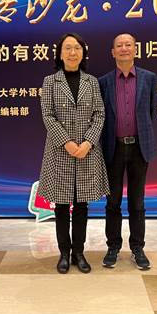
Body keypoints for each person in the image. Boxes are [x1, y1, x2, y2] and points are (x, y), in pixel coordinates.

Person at [38, 32, 109, 274]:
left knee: (81, 205)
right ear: (60, 53)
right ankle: (64, 254)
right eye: (67, 48)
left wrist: (88, 142)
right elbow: (48, 115)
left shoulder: (92, 82)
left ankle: (79, 252)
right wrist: (67, 142)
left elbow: (99, 114)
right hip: (60, 152)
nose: (72, 52)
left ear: (83, 52)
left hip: (86, 152)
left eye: (77, 48)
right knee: (60, 206)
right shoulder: (50, 81)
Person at [98, 33, 157, 270]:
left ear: (135, 49)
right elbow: (101, 116)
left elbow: (151, 112)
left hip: (139, 148)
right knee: (112, 201)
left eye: (128, 45)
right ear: (113, 52)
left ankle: (137, 248)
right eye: (119, 45)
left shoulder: (149, 78)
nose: (124, 48)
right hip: (112, 148)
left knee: (137, 201)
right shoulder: (103, 82)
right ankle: (113, 247)